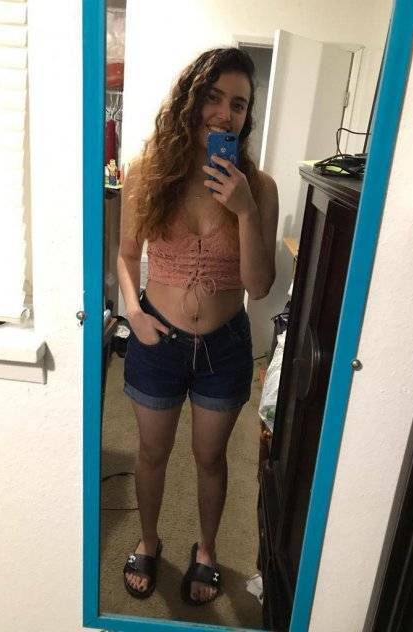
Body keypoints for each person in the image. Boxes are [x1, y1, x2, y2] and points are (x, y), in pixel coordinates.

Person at [117, 47, 279, 605]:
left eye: (238, 104)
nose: (224, 113)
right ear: (191, 99)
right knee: (151, 452)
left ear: (247, 116)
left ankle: (206, 550)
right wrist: (134, 313)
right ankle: (148, 539)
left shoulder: (260, 188)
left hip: (224, 346)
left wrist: (245, 210)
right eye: (214, 97)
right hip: (156, 338)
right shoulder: (148, 172)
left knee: (210, 458)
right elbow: (125, 255)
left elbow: (259, 286)